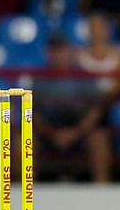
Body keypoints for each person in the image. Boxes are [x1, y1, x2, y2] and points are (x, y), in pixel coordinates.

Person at [33, 34, 112, 182]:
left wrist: (75, 133)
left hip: (80, 132)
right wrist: (52, 133)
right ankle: (24, 194)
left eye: (62, 49)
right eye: (55, 50)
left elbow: (96, 109)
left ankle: (102, 192)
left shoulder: (83, 76)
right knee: (23, 142)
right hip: (48, 133)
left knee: (99, 140)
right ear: (48, 53)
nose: (59, 54)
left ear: (70, 51)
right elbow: (31, 112)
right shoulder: (39, 79)